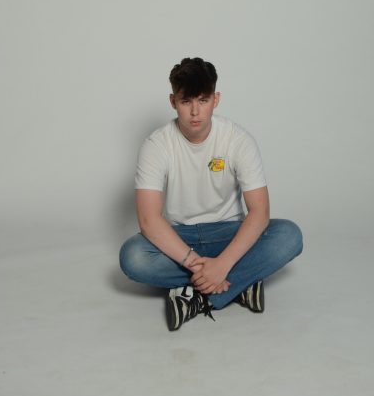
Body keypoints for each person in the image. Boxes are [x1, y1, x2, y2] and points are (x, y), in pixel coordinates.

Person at [119, 57, 303, 331]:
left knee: (289, 235)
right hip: (180, 237)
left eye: (203, 100)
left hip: (229, 232)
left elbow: (260, 212)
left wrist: (223, 264)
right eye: (186, 101)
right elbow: (148, 220)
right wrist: (198, 265)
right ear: (173, 101)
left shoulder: (238, 140)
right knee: (133, 256)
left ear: (216, 100)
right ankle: (241, 285)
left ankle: (194, 297)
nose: (195, 112)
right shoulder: (156, 145)